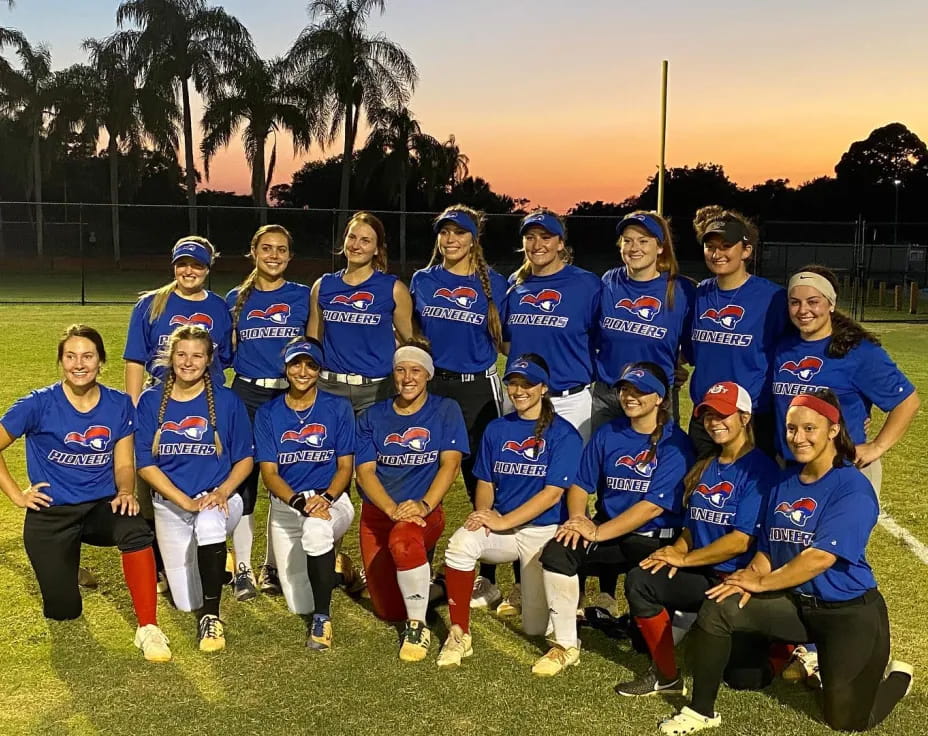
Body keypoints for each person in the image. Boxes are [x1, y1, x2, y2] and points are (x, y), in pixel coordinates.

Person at [659, 390, 913, 735]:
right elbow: (768, 548)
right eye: (792, 428)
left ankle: (898, 678)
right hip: (796, 605)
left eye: (810, 428)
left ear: (833, 430)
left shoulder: (852, 487)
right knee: (719, 606)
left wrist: (762, 583)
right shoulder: (785, 482)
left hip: (848, 614)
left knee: (846, 721)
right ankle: (701, 711)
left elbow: (819, 558)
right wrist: (749, 575)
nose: (798, 437)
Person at [0, 325, 171, 662]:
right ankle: (68, 564)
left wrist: (126, 491)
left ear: (100, 361)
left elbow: (125, 463)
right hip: (52, 512)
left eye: (88, 356)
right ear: (61, 361)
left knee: (135, 527)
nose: (79, 364)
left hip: (99, 506)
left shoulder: (119, 404)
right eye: (71, 356)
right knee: (64, 611)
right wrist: (18, 496)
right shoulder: (37, 404)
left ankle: (148, 627)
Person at [617, 381, 777, 696]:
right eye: (708, 416)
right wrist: (673, 551)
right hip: (703, 574)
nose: (714, 423)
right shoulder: (706, 465)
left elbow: (740, 541)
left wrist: (685, 559)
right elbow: (692, 527)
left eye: (723, 415)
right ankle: (666, 676)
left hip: (738, 582)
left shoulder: (761, 471)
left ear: (744, 418)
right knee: (641, 578)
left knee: (744, 677)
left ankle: (782, 648)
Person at [537, 362, 693, 676]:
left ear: (660, 398)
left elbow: (651, 508)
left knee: (641, 643)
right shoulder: (609, 432)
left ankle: (685, 615)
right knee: (558, 552)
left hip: (653, 541)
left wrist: (597, 533)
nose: (630, 397)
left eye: (640, 391)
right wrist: (577, 520)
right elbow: (580, 483)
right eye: (625, 390)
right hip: (610, 531)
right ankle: (565, 643)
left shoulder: (676, 444)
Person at [437, 354, 582, 668]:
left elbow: (552, 494)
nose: (518, 391)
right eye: (513, 383)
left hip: (542, 531)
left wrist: (503, 520)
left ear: (543, 388)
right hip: (504, 528)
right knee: (460, 544)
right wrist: (483, 513)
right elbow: (485, 481)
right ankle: (459, 633)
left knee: (534, 627)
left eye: (527, 384)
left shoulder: (564, 434)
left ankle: (567, 639)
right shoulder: (497, 428)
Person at [410, 205, 509, 611]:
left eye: (459, 233)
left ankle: (488, 577)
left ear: (473, 240)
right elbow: (412, 334)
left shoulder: (495, 284)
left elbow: (510, 339)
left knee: (481, 480)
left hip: (478, 390)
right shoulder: (423, 280)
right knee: (424, 474)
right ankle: (418, 565)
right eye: (444, 232)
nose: (450, 240)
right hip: (434, 388)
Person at [123, 236, 233, 595]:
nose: (189, 271)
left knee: (208, 475)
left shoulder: (218, 307)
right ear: (173, 266)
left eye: (197, 265)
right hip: (160, 402)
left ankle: (211, 551)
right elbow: (135, 360)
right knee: (154, 484)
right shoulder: (151, 304)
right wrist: (134, 408)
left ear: (208, 269)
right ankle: (158, 561)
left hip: (205, 403)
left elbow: (224, 360)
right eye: (183, 263)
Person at [135, 325, 254, 652]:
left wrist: (223, 491)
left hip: (217, 499)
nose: (188, 362)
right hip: (171, 505)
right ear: (170, 357)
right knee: (186, 601)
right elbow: (144, 463)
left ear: (209, 360)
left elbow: (245, 459)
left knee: (209, 521)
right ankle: (214, 563)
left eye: (197, 356)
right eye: (181, 354)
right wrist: (184, 501)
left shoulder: (227, 400)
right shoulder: (150, 401)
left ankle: (211, 619)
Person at [354, 338, 468, 662]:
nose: (407, 378)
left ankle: (417, 626)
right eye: (400, 370)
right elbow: (364, 472)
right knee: (388, 610)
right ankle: (437, 585)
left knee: (404, 542)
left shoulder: (445, 409)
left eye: (416, 370)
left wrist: (423, 505)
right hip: (379, 514)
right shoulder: (372, 416)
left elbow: (450, 464)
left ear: (428, 374)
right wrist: (391, 509)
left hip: (423, 512)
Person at [773, 265, 919, 494]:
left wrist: (876, 447)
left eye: (813, 302)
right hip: (790, 470)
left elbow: (907, 402)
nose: (803, 310)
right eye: (795, 302)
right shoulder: (782, 348)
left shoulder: (858, 352)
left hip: (843, 471)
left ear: (831, 304)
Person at [254, 338, 359, 650]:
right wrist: (300, 502)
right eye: (296, 364)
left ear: (320, 370)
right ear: (286, 368)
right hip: (288, 507)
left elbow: (345, 467)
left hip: (331, 502)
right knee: (299, 603)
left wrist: (325, 499)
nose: (303, 371)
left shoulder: (338, 407)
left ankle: (322, 620)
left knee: (316, 530)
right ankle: (339, 571)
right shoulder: (268, 413)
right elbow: (270, 474)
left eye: (311, 365)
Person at [226, 225, 311, 601]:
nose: (273, 255)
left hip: (289, 396)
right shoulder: (236, 298)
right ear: (253, 252)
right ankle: (242, 568)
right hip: (246, 394)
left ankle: (272, 567)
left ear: (290, 256)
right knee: (243, 484)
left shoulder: (303, 296)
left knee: (285, 481)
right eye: (266, 248)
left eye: (281, 249)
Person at [688, 207, 788, 459]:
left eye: (726, 246)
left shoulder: (773, 297)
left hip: (751, 416)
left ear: (746, 251)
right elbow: (689, 350)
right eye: (710, 247)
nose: (717, 254)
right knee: (701, 481)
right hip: (706, 415)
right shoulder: (699, 294)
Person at [504, 209, 602, 442]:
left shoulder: (587, 284)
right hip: (521, 397)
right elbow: (506, 343)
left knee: (571, 465)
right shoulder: (515, 285)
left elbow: (605, 338)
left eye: (546, 237)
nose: (537, 244)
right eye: (530, 237)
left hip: (569, 402)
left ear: (560, 243)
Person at [593, 211, 695, 431]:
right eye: (627, 241)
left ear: (660, 247)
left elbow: (692, 345)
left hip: (654, 395)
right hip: (608, 395)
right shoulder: (609, 281)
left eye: (643, 241)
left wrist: (674, 365)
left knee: (656, 452)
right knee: (602, 452)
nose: (634, 248)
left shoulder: (681, 290)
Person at [308, 211, 414, 415]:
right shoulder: (322, 286)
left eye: (366, 240)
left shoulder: (393, 289)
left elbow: (409, 341)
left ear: (377, 249)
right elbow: (313, 340)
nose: (356, 245)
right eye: (352, 237)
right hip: (330, 389)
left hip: (376, 391)